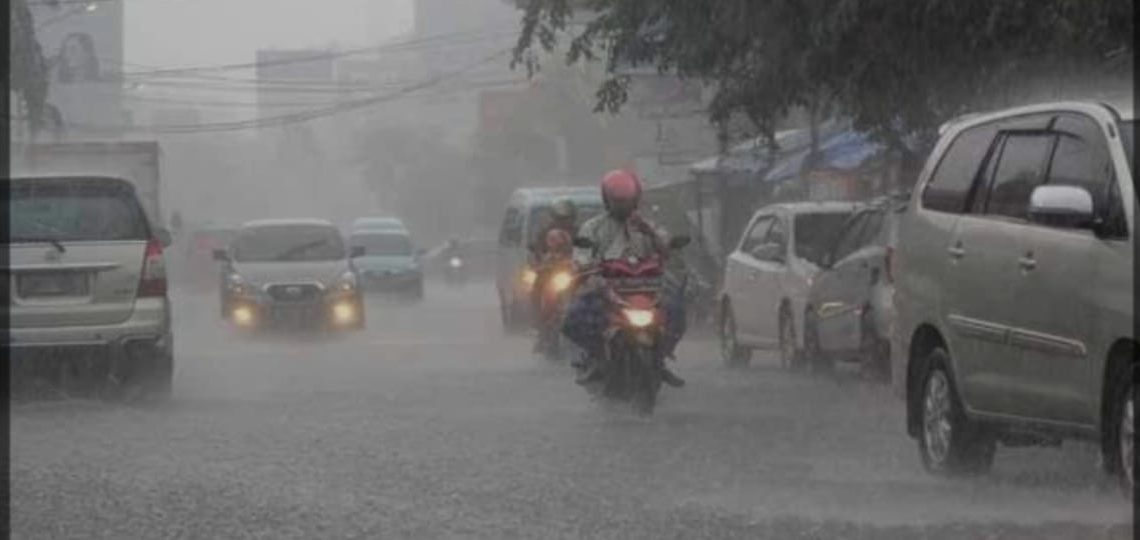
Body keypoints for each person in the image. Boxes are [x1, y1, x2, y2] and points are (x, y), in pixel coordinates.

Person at [561, 169, 686, 388]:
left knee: (676, 310)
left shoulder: (647, 225)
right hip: (607, 289)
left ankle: (661, 358)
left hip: (647, 290)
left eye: (627, 201)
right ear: (607, 201)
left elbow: (666, 251)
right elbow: (581, 256)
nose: (623, 207)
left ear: (636, 199)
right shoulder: (593, 227)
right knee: (574, 317)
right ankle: (597, 358)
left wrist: (650, 233)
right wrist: (586, 268)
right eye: (617, 202)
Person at [528, 198, 579, 340]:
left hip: (573, 272)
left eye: (567, 218)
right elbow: (537, 250)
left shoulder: (580, 232)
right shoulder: (545, 233)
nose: (564, 222)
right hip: (550, 272)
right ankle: (539, 322)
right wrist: (540, 263)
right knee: (537, 288)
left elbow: (588, 249)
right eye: (560, 218)